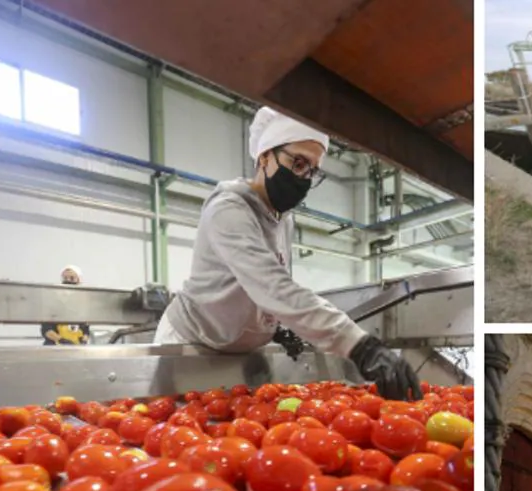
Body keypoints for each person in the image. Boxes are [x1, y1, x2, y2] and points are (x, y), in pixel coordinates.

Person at [154, 106, 421, 401]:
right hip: (192, 347)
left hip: (237, 352)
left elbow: (271, 283)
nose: (304, 178)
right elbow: (272, 286)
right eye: (298, 163)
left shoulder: (283, 219)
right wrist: (360, 346)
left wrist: (274, 325)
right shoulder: (228, 210)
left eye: (312, 170)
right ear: (265, 157)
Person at [41, 265, 90, 345]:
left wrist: (83, 341)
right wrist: (61, 340)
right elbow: (46, 329)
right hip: (54, 349)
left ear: (79, 280)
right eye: (65, 278)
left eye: (72, 278)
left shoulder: (82, 304)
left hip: (76, 349)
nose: (68, 281)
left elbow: (86, 330)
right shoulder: (52, 301)